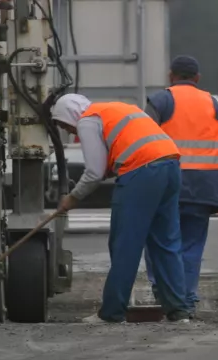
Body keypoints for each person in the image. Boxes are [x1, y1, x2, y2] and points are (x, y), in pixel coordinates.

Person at [51, 93, 193, 324]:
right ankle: (178, 311)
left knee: (125, 244)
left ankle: (112, 313)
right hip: (170, 166)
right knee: (165, 243)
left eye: (66, 125)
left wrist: (73, 198)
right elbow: (117, 153)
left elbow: (94, 172)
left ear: (71, 115)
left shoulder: (87, 120)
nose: (71, 132)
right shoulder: (115, 108)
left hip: (141, 173)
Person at [142, 55, 218, 315]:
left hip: (167, 183)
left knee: (160, 239)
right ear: (197, 78)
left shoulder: (161, 100)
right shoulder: (214, 103)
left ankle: (162, 289)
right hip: (207, 184)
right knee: (192, 243)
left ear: (170, 75)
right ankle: (187, 294)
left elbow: (141, 137)